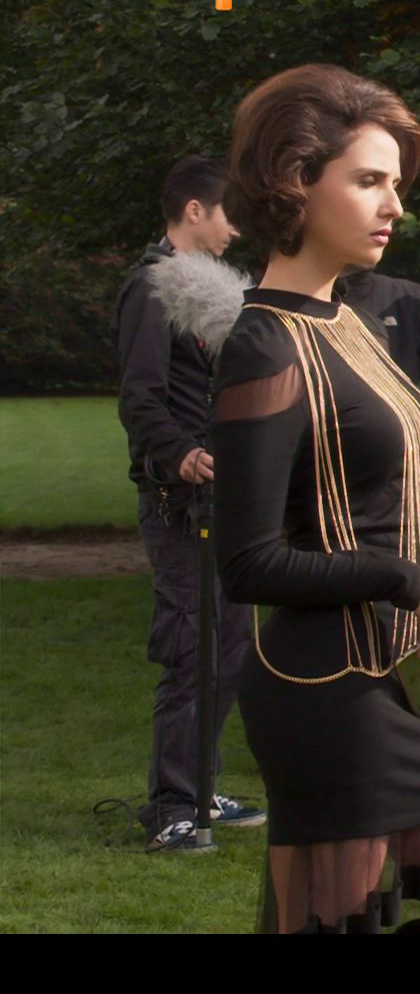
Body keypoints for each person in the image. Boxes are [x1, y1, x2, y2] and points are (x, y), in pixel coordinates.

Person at [211, 63, 420, 933]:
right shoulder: (265, 345)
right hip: (320, 696)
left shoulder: (351, 322)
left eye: (396, 184)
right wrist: (406, 582)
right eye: (368, 181)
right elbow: (247, 563)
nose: (395, 205)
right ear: (294, 182)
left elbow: (388, 515)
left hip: (381, 685)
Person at [112, 154, 264, 851]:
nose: (237, 229)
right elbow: (139, 394)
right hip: (178, 501)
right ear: (195, 210)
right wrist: (179, 452)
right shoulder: (151, 287)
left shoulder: (205, 288)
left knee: (230, 647)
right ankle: (172, 806)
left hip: (220, 497)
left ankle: (200, 788)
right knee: (192, 648)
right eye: (230, 213)